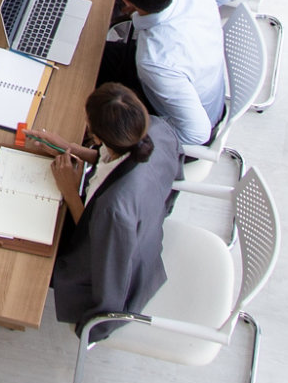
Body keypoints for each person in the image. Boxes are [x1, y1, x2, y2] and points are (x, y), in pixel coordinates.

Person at [23, 84, 183, 339]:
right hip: (136, 229)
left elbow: (94, 243)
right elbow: (115, 161)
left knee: (23, 240)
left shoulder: (114, 209)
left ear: (97, 137)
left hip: (115, 268)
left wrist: (70, 191)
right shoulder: (155, 129)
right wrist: (71, 148)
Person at [98, 0, 244, 147]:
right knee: (87, 53)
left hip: (182, 121)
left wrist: (140, 132)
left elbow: (197, 134)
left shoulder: (155, 60)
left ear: (127, 0)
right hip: (194, 89)